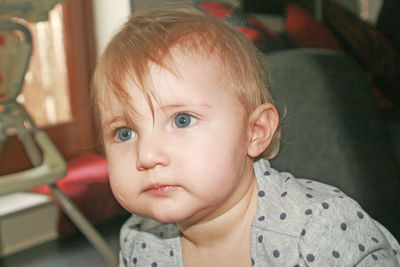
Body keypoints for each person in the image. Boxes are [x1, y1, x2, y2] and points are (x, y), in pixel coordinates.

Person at [92, 7, 400, 267]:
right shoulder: (139, 242)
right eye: (125, 132)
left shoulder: (319, 231)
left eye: (182, 120)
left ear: (255, 132)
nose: (146, 155)